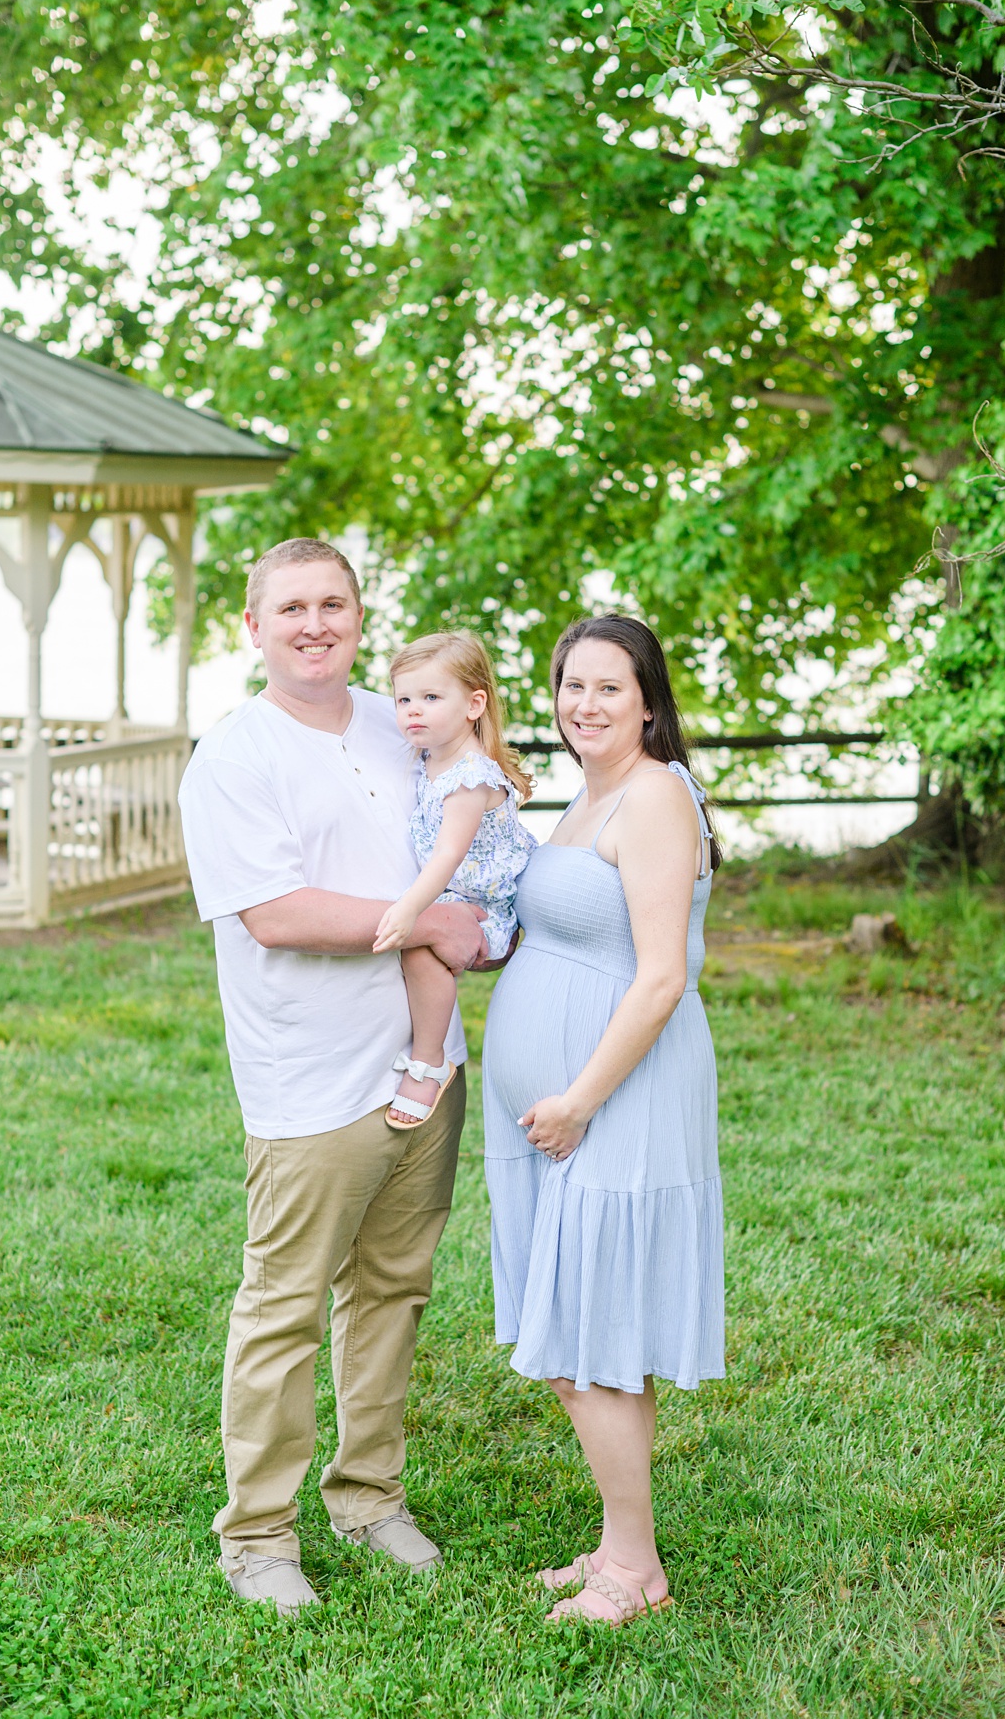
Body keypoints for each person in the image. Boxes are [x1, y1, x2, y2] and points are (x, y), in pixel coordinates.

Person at [177, 538, 491, 1613]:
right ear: (252, 627)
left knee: (394, 1291)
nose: (315, 623)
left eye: (334, 605)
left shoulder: (395, 719)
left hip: (426, 1064)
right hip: (310, 1083)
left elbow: (463, 820)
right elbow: (277, 912)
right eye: (292, 608)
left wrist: (487, 914)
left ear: (360, 616)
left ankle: (368, 1497)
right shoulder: (233, 755)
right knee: (284, 1306)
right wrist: (431, 920)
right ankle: (258, 1535)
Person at [483, 614, 725, 1627]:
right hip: (554, 1112)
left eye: (608, 688)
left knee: (597, 1334)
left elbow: (662, 975)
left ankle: (635, 1566)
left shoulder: (659, 796)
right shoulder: (590, 797)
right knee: (575, 1330)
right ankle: (616, 1542)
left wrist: (579, 1098)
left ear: (649, 699)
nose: (584, 704)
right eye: (570, 685)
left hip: (617, 1100)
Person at [372, 631, 536, 1127]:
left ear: (474, 703)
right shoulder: (427, 758)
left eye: (430, 698)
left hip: (484, 907)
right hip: (452, 894)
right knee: (419, 942)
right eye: (403, 699)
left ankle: (428, 1063)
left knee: (419, 948)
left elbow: (448, 854)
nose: (412, 711)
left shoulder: (470, 776)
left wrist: (409, 910)